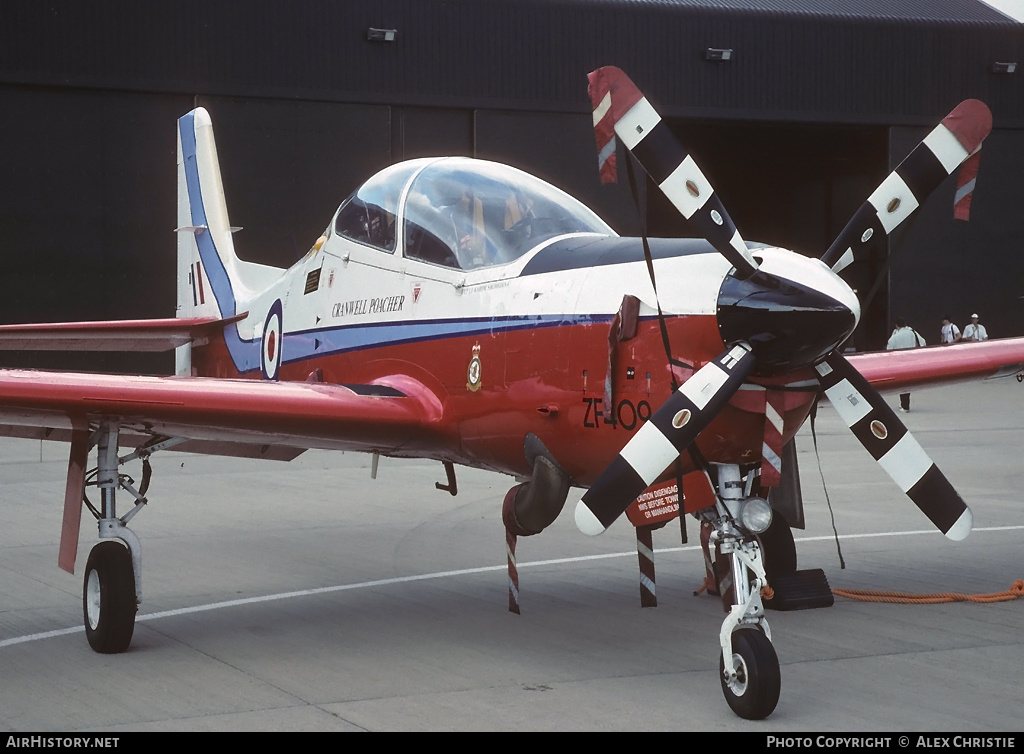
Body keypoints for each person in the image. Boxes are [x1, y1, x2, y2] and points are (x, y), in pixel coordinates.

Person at [887, 318, 925, 412]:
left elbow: (889, 348)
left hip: (899, 361)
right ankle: (904, 404)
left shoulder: (895, 336)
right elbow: (923, 343)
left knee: (902, 383)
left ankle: (905, 406)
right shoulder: (912, 332)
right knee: (907, 383)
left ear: (896, 325)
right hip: (912, 360)